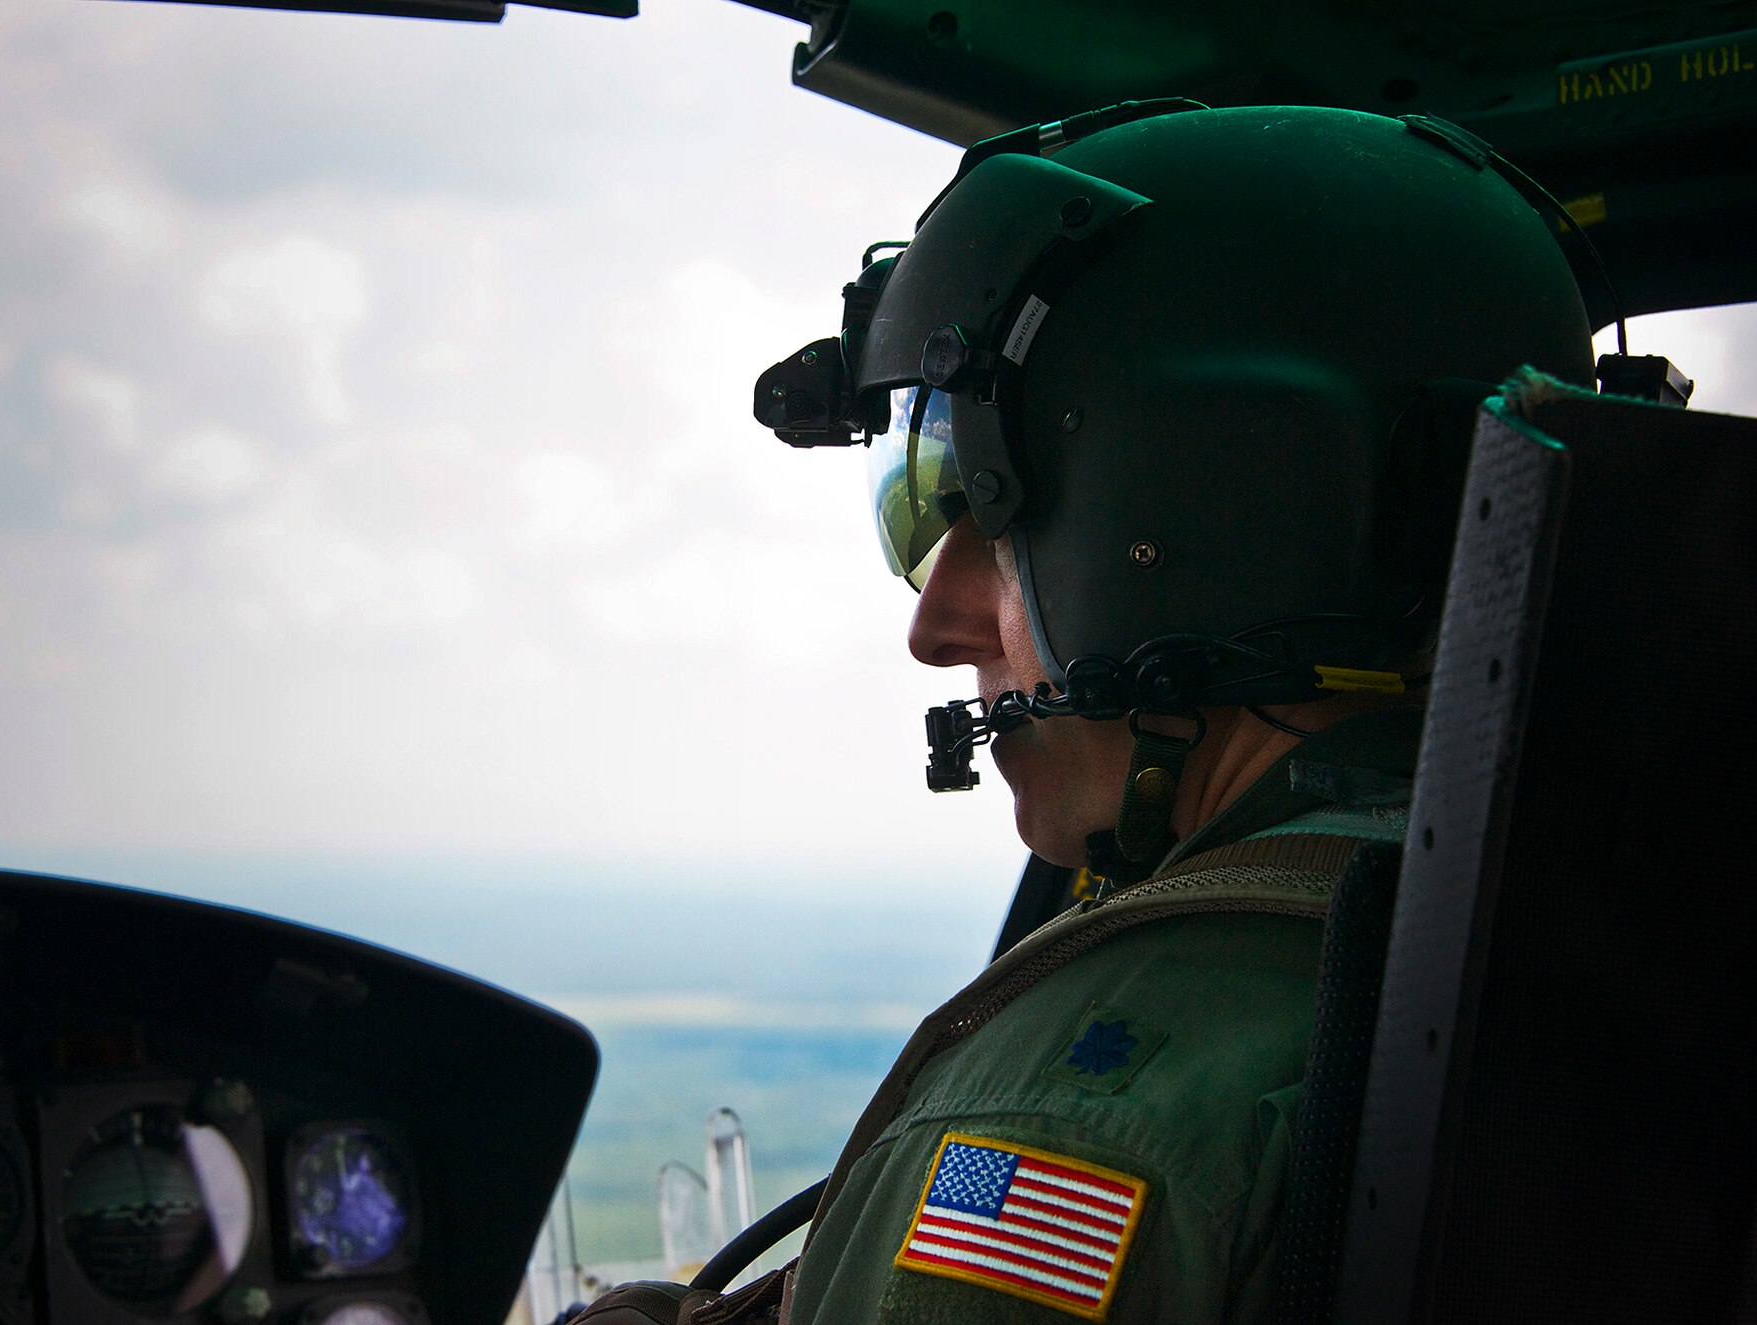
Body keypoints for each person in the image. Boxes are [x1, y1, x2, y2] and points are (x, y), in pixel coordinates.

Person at [578, 102, 1592, 1324]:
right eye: (921, 516)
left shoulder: (1070, 1118)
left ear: (1208, 526)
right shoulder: (1586, 904)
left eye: (993, 519)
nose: (933, 623)